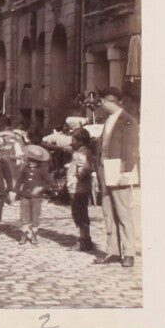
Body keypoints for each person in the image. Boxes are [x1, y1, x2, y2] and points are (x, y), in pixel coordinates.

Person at [94, 87, 140, 268]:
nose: (101, 104)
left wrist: (126, 172)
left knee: (123, 212)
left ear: (110, 101)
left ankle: (129, 252)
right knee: (108, 211)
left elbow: (131, 149)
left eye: (103, 101)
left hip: (118, 170)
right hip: (105, 169)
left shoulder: (127, 120)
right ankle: (112, 250)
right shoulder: (109, 120)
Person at [67, 127, 97, 252]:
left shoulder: (81, 153)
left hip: (78, 187)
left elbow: (84, 167)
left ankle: (83, 240)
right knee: (81, 213)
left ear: (80, 141)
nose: (71, 142)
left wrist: (78, 174)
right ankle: (86, 238)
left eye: (74, 140)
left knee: (79, 214)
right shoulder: (83, 151)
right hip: (79, 187)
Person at [16, 144, 52, 245]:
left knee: (35, 216)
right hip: (25, 196)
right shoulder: (25, 169)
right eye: (30, 160)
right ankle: (24, 234)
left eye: (35, 161)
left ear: (39, 162)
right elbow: (19, 180)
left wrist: (41, 188)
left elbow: (48, 183)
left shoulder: (42, 171)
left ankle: (34, 234)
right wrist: (15, 191)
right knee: (24, 215)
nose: (32, 163)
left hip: (36, 198)